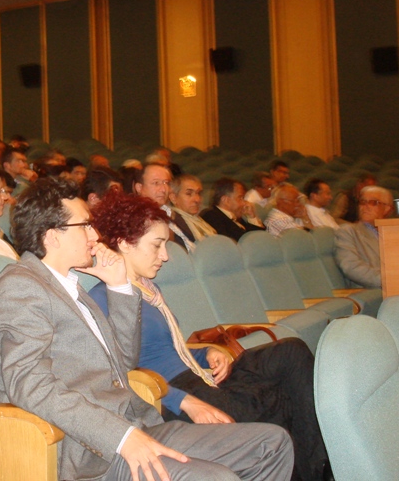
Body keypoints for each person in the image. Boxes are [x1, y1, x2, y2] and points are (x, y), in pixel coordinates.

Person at [0, 177, 293, 481]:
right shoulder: (20, 288)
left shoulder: (71, 286)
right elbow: (30, 385)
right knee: (218, 477)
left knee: (272, 444)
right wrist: (121, 437)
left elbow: (125, 362)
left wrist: (118, 286)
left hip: (137, 423)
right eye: (85, 225)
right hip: (91, 450)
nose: (95, 234)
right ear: (52, 236)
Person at [88, 190, 329, 481]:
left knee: (290, 351)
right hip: (171, 394)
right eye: (157, 245)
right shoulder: (105, 298)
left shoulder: (150, 290)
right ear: (125, 243)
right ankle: (315, 471)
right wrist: (183, 401)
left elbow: (168, 348)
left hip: (196, 375)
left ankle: (320, 466)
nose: (165, 256)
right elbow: (119, 375)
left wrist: (207, 352)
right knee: (276, 399)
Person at [334, 185, 393, 289]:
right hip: (372, 290)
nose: (366, 206)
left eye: (373, 202)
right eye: (363, 202)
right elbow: (350, 267)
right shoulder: (348, 231)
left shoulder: (393, 233)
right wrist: (390, 280)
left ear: (386, 209)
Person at [133, 163, 195, 251]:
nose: (163, 189)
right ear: (139, 187)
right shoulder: (136, 218)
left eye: (166, 183)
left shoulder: (172, 213)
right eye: (156, 183)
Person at [168, 174, 216, 240]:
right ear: (173, 198)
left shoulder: (199, 220)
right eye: (189, 194)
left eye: (199, 193)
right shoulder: (172, 224)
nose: (197, 199)